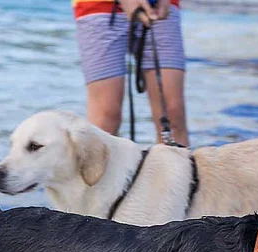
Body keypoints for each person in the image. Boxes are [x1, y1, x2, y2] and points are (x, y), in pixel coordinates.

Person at [73, 0, 189, 147]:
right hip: (99, 6)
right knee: (105, 119)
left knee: (173, 116)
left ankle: (177, 168)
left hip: (160, 6)